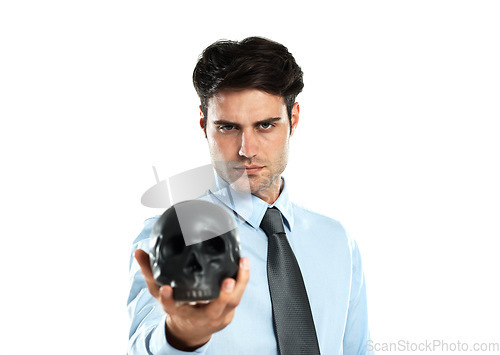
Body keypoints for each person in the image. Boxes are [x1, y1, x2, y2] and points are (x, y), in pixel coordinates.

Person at [128, 36, 372, 354]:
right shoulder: (175, 234)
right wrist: (183, 334)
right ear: (204, 125)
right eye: (228, 127)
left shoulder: (337, 240)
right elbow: (144, 345)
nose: (247, 150)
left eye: (265, 125)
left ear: (293, 119)